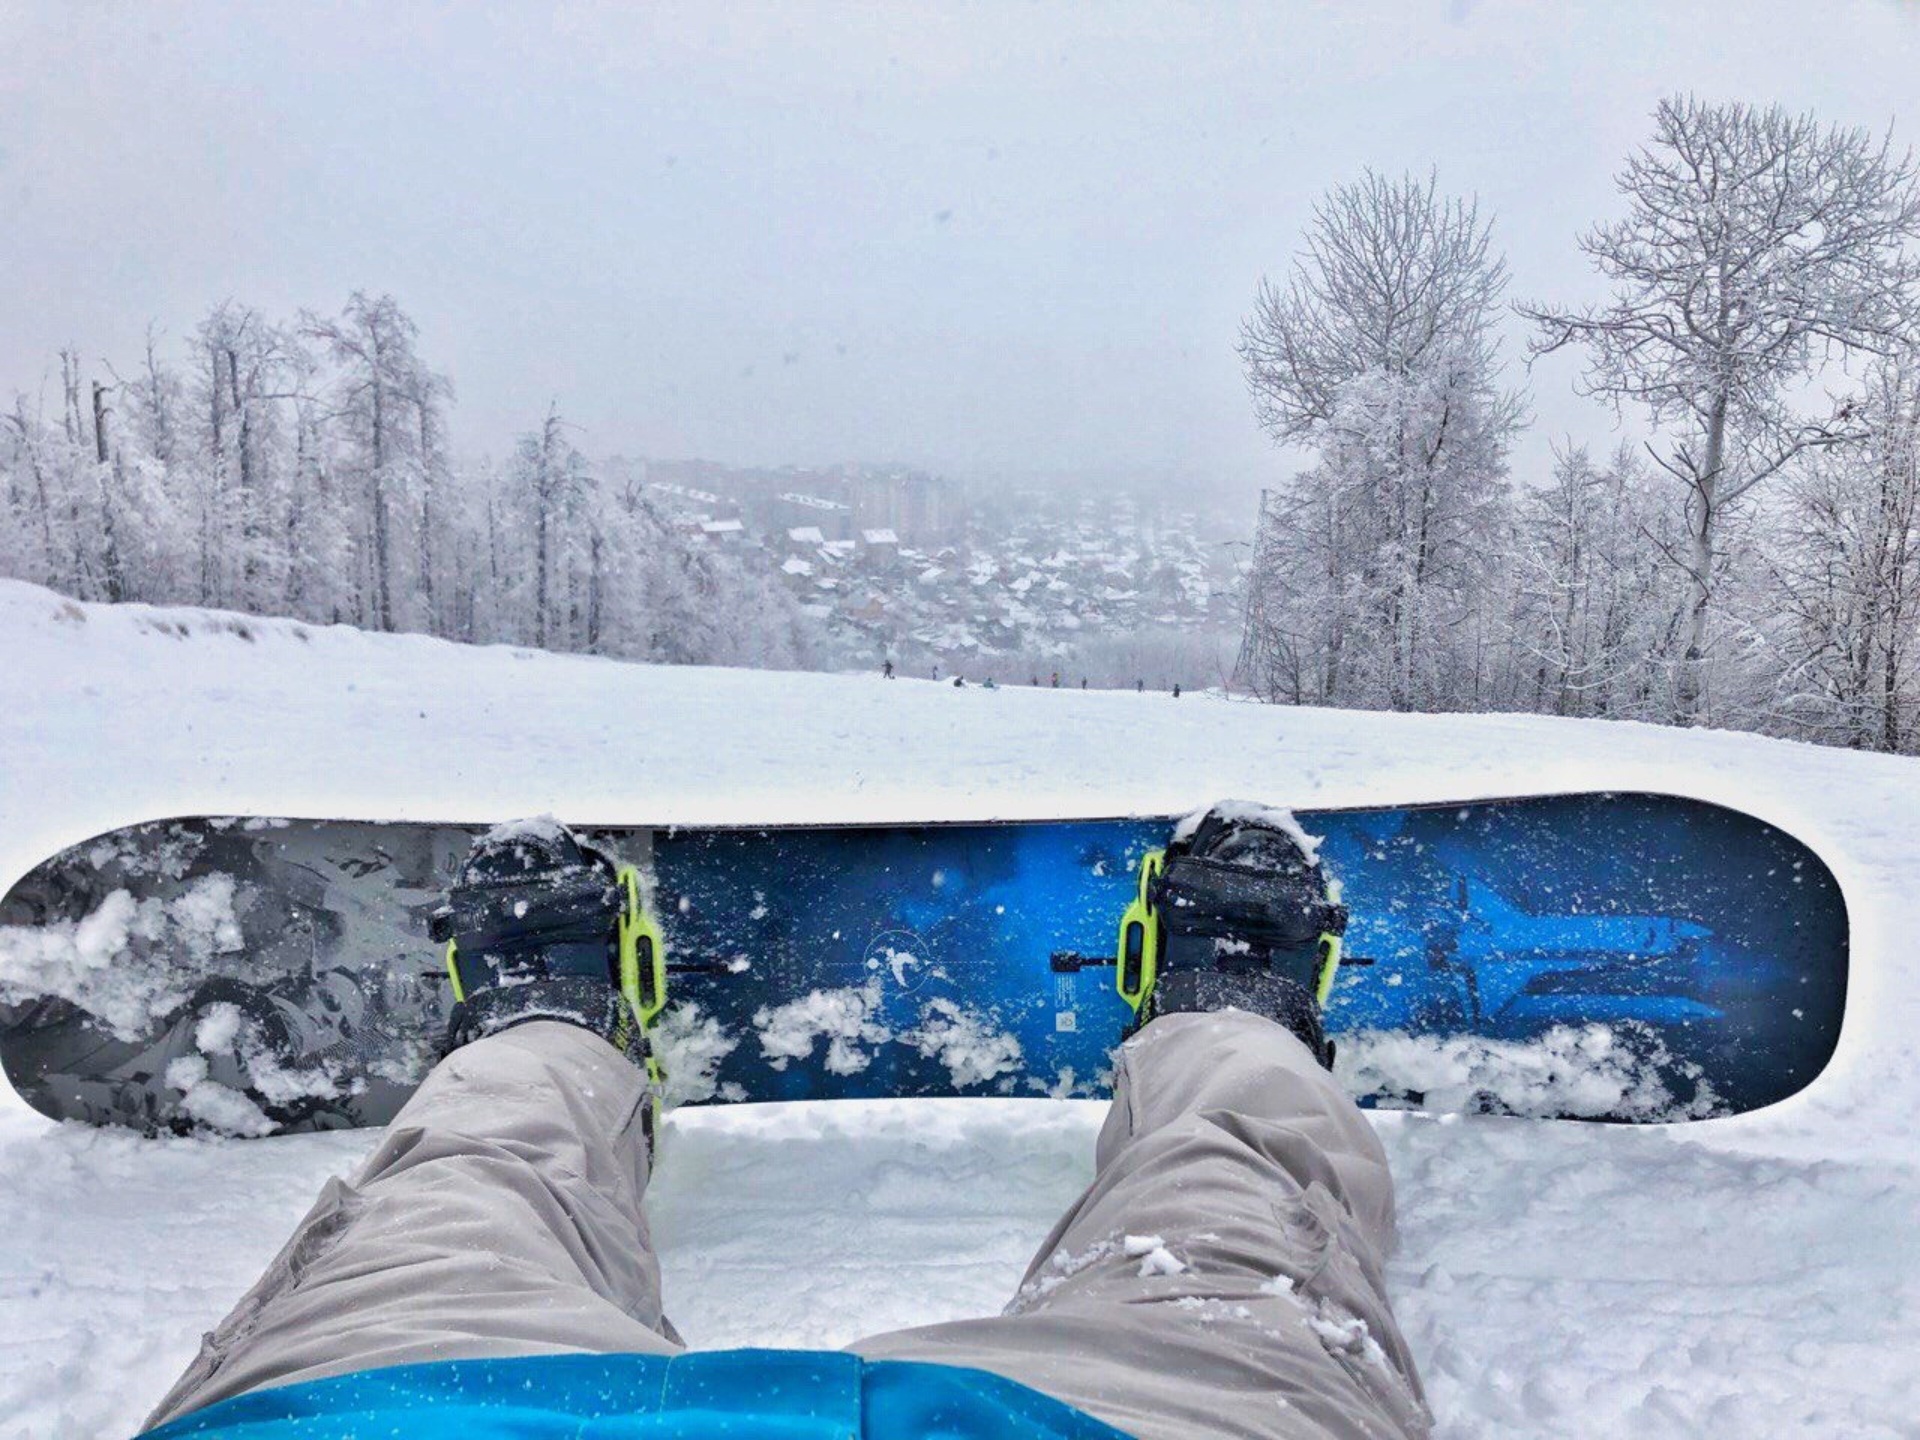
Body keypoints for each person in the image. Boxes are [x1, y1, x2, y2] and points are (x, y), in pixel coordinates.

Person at [140, 815, 1431, 1440]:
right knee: (1227, 1221)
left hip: (422, 1418)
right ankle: (1226, 1020)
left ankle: (560, 1030)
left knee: (457, 1196)